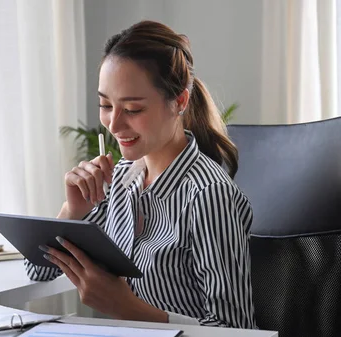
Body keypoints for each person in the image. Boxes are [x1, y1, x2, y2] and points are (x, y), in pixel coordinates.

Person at [24, 20, 256, 329]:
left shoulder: (207, 195)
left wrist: (126, 307)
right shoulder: (122, 179)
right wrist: (73, 211)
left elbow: (236, 331)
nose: (114, 124)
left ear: (179, 102)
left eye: (132, 109)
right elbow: (38, 270)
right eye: (105, 105)